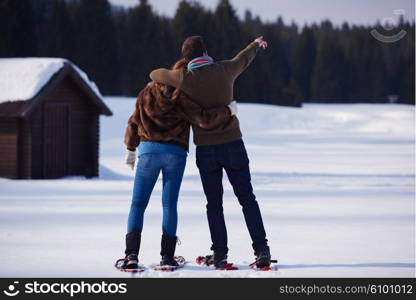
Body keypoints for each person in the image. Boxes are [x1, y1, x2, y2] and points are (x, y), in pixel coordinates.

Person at [150, 35, 272, 269]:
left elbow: (155, 74)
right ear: (205, 51)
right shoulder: (225, 69)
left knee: (214, 203)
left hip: (206, 151)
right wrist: (255, 45)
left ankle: (220, 254)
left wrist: (179, 71)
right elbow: (243, 59)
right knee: (247, 198)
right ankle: (262, 250)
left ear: (186, 58)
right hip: (233, 145)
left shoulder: (185, 78)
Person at [116, 59, 237, 271]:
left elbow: (134, 120)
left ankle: (131, 256)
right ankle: (167, 257)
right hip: (175, 153)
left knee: (138, 204)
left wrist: (130, 148)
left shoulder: (148, 90)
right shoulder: (184, 95)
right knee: (168, 205)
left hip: (148, 151)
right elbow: (204, 119)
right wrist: (228, 111)